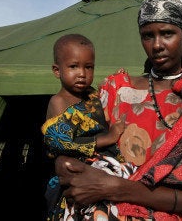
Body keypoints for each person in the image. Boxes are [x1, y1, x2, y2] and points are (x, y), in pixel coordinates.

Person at [54, 0, 182, 220]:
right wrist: (63, 164)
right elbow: (76, 146)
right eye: (148, 36)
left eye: (167, 34)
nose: (157, 45)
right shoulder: (116, 89)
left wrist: (114, 187)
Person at [41, 33, 130, 219]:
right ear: (57, 71)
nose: (82, 73)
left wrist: (117, 81)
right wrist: (109, 137)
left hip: (103, 166)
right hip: (75, 173)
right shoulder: (58, 101)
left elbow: (107, 97)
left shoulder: (91, 95)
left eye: (88, 67)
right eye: (73, 66)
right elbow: (60, 142)